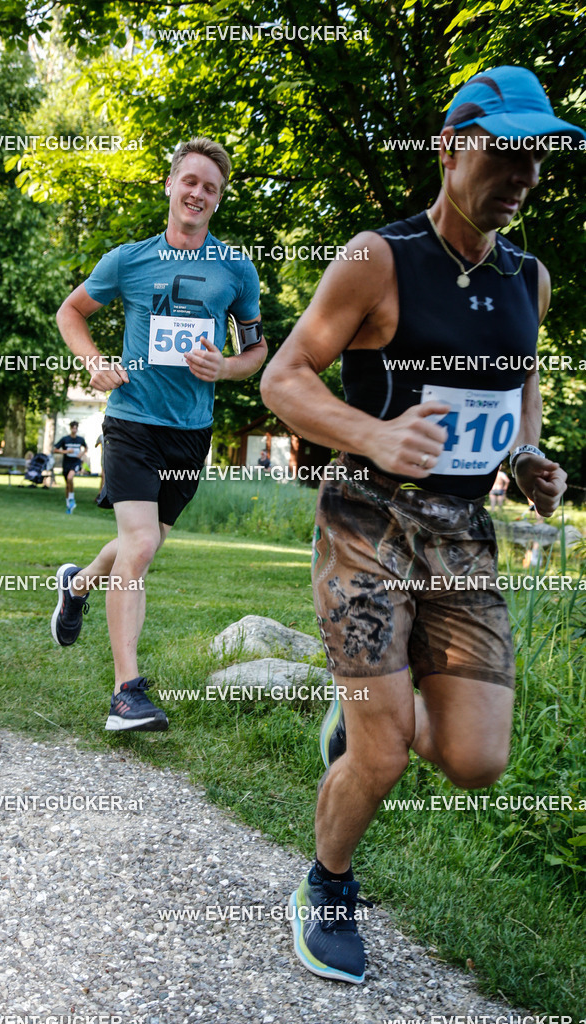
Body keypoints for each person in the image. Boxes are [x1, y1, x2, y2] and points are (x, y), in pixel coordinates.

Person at [260, 65, 578, 985]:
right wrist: (374, 435)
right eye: (502, 155)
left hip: (461, 535)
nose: (519, 178)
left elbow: (518, 384)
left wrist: (523, 454)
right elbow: (284, 378)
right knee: (386, 749)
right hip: (365, 523)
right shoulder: (377, 257)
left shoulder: (530, 275)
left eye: (536, 162)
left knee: (477, 759)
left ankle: (367, 709)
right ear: (448, 150)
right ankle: (325, 884)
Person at [50, 137, 267, 731]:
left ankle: (78, 586)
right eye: (190, 181)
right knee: (140, 545)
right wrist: (94, 361)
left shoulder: (235, 269)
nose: (198, 193)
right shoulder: (128, 259)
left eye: (211, 188)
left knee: (140, 547)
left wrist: (228, 367)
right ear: (171, 185)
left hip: (190, 433)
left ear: (218, 201)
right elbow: (72, 312)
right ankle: (127, 692)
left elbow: (255, 349)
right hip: (132, 420)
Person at [53, 421, 88, 513]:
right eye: (73, 428)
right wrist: (65, 452)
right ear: (70, 428)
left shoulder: (80, 439)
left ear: (77, 429)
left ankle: (72, 498)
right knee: (67, 485)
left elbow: (86, 448)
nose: (74, 430)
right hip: (66, 463)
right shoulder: (65, 439)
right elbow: (55, 450)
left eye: (76, 428)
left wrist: (82, 453)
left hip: (76, 462)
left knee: (70, 478)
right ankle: (69, 505)